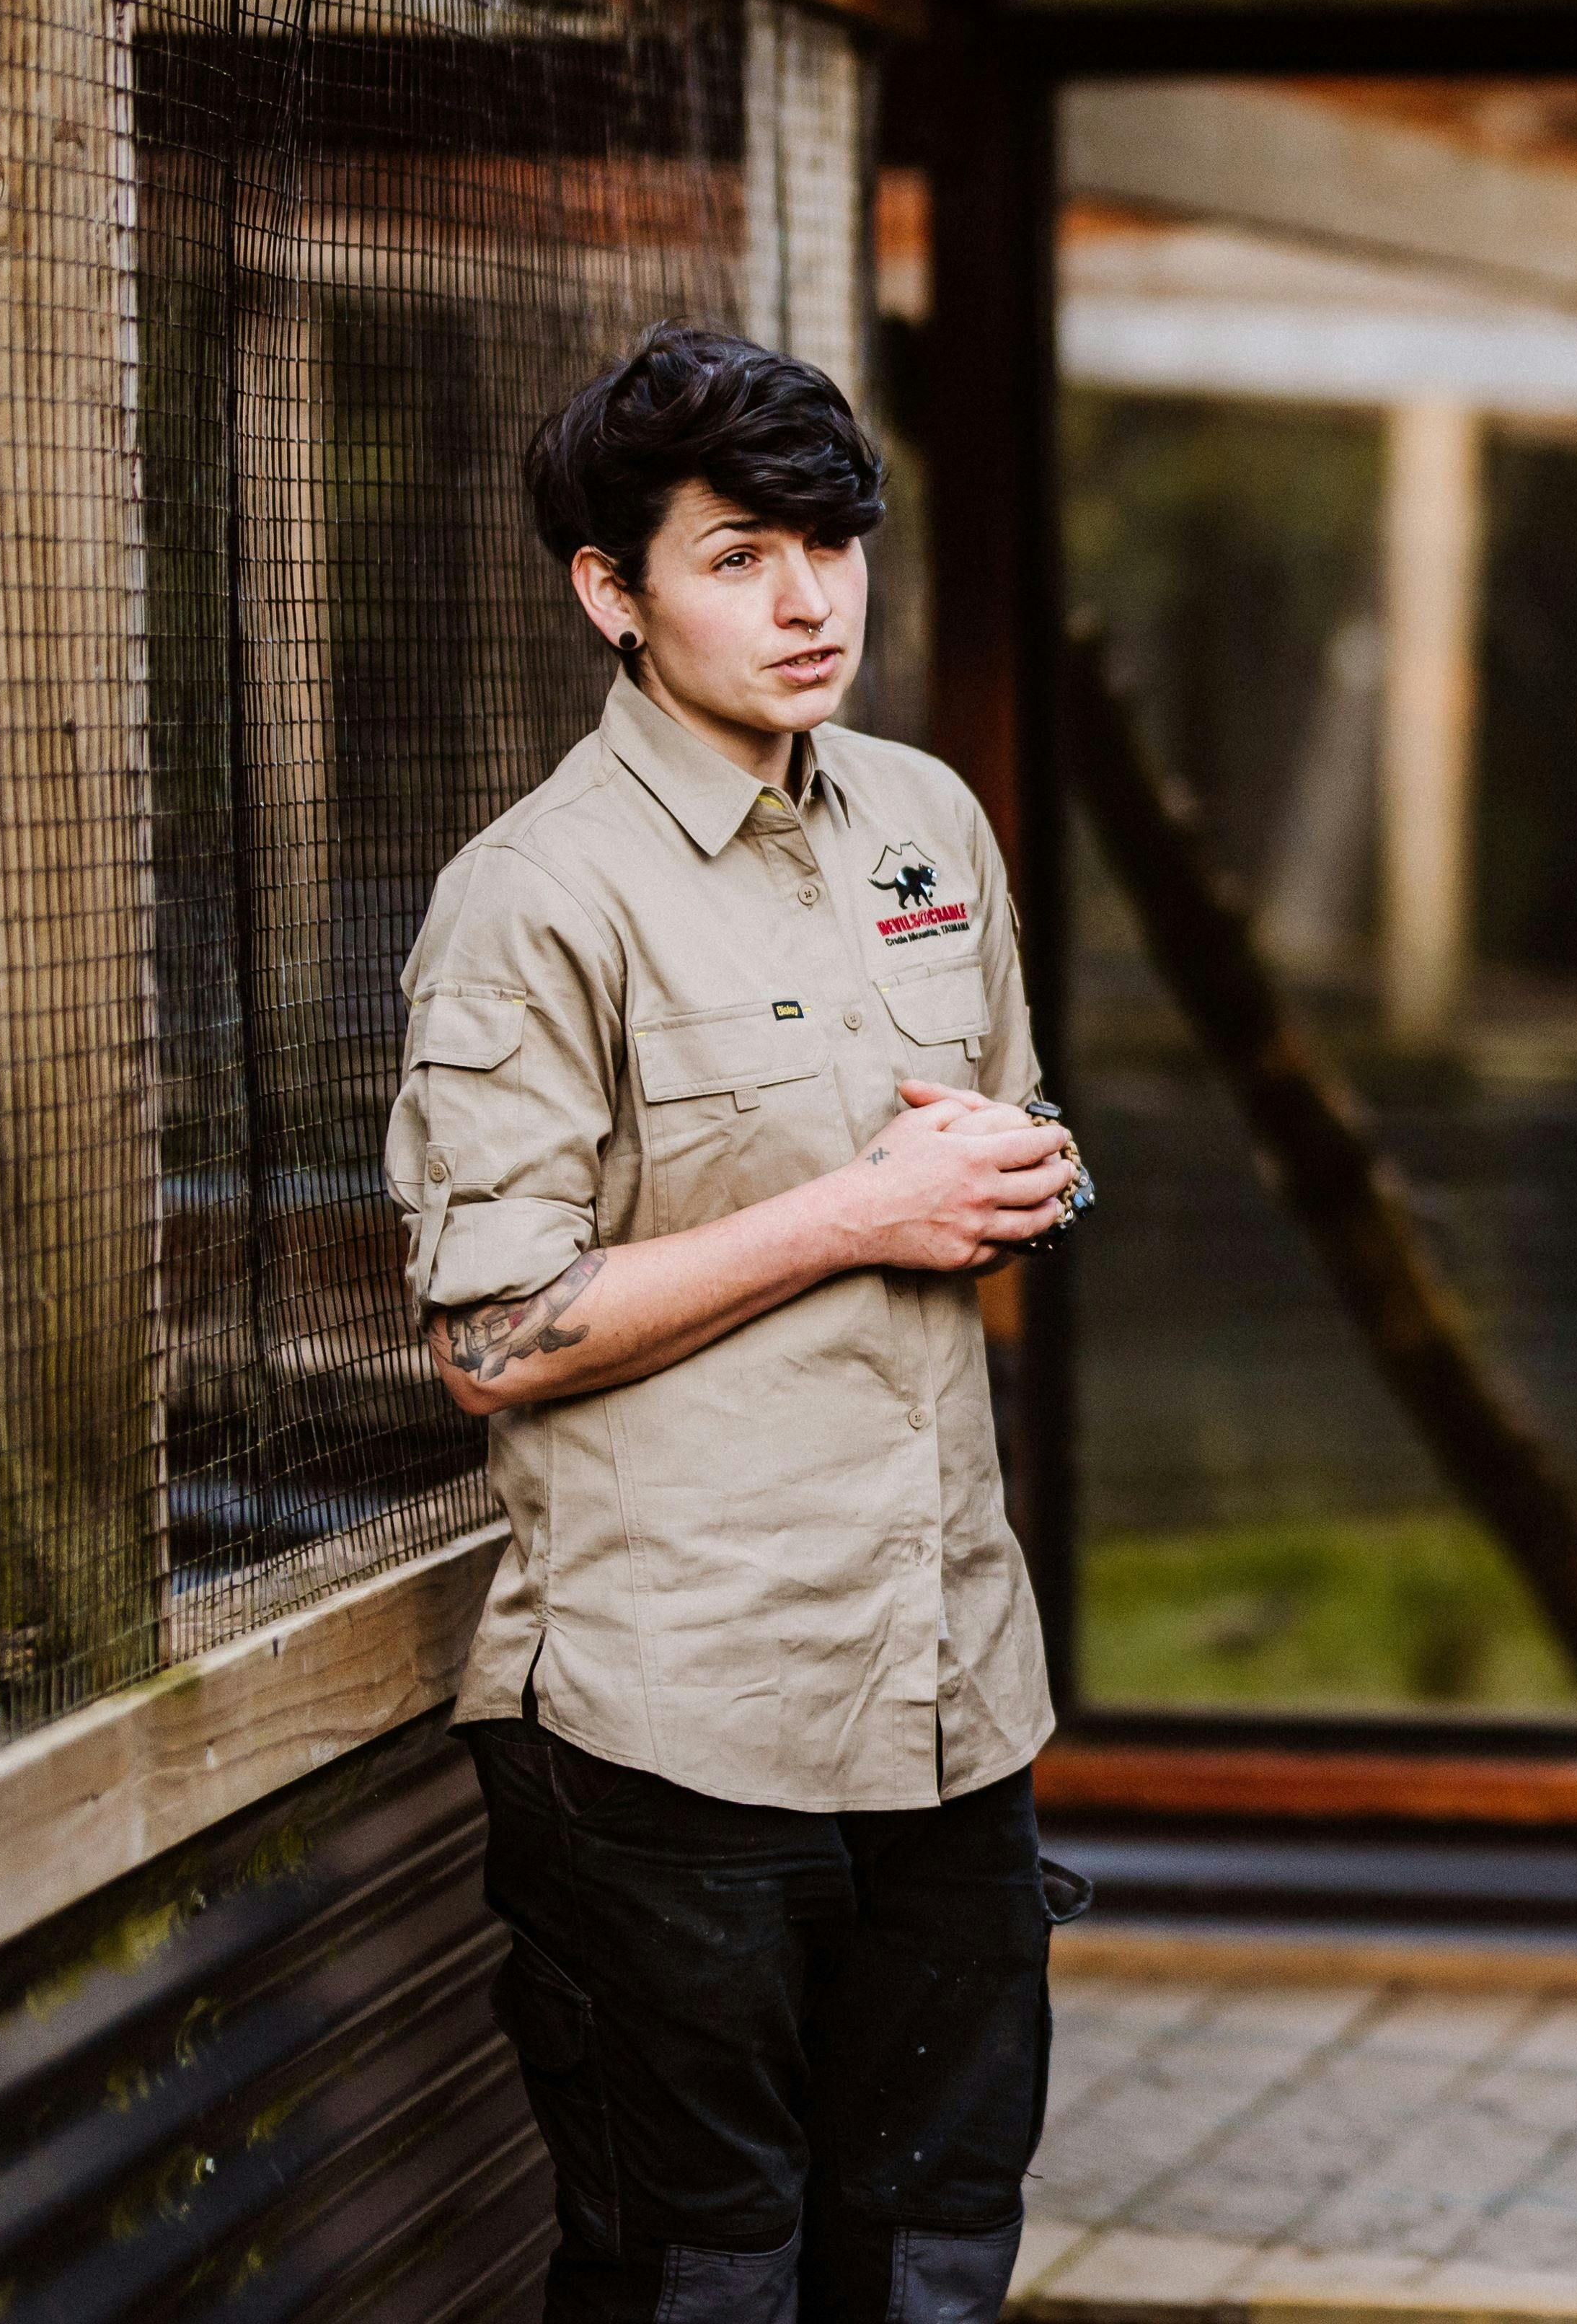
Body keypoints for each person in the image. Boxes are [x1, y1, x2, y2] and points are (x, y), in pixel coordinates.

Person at [386, 325, 1095, 2324]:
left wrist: (1030, 1178)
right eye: (736, 555)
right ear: (610, 593)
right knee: (704, 2273)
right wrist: (862, 1212)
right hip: (674, 1726)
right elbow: (495, 1337)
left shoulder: (924, 820)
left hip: (954, 1686)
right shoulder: (534, 902)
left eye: (834, 544)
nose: (807, 601)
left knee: (936, 2251)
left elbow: (1016, 1134)